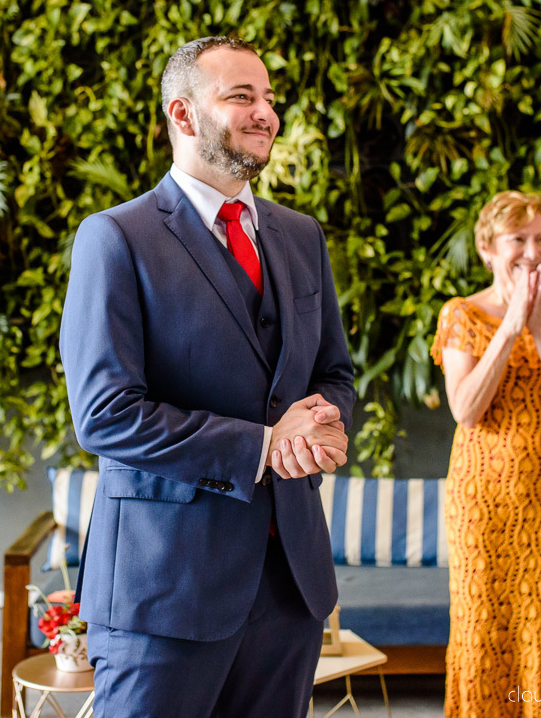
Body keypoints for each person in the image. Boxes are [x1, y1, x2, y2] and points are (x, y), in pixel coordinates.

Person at [59, 36, 355, 718]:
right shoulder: (116, 237)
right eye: (241, 96)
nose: (265, 113)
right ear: (183, 114)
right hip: (164, 591)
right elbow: (105, 414)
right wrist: (264, 445)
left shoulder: (301, 236)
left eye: (269, 98)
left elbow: (333, 373)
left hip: (290, 587)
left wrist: (321, 422)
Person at [431, 191, 541, 717]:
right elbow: (466, 410)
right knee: (482, 629)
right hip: (481, 505)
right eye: (518, 239)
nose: (533, 251)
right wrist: (509, 326)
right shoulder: (461, 315)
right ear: (488, 249)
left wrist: (537, 327)